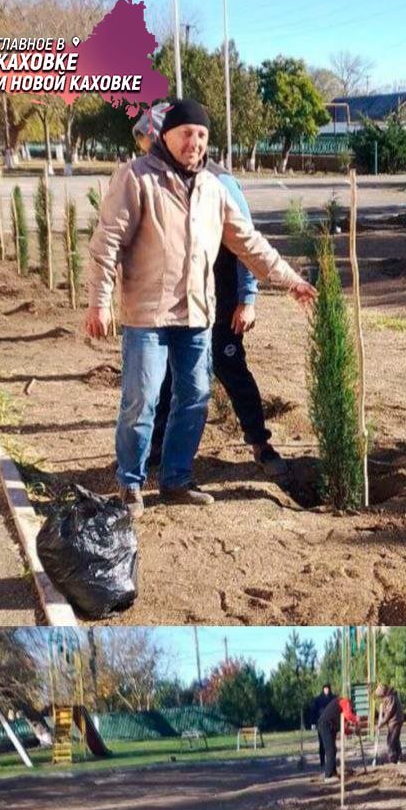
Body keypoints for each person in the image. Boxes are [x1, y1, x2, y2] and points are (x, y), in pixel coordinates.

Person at [84, 99, 316, 516]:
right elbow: (106, 245)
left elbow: (249, 243)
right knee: (142, 399)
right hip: (148, 316)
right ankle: (131, 484)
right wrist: (99, 301)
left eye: (203, 134)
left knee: (194, 398)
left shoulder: (213, 188)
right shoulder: (136, 179)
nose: (195, 142)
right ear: (166, 135)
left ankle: (176, 480)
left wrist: (291, 280)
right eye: (187, 133)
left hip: (196, 316)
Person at [120, 108, 287, 480]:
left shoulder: (219, 182)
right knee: (165, 379)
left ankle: (261, 443)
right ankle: (159, 452)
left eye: (149, 141)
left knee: (230, 368)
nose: (148, 151)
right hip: (180, 299)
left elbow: (246, 243)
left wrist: (248, 297)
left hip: (222, 294)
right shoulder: (158, 177)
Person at [317, 691, 360, 781]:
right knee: (330, 750)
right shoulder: (344, 701)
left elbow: (344, 729)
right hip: (325, 725)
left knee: (333, 749)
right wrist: (356, 719)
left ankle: (333, 773)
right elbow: (349, 715)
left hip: (328, 726)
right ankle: (328, 776)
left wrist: (354, 731)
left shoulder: (340, 713)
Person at [374, 682, 404, 764]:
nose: (380, 698)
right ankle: (399, 757)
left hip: (395, 721)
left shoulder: (390, 698)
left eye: (380, 696)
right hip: (395, 721)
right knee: (395, 740)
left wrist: (382, 723)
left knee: (391, 741)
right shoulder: (390, 697)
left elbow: (389, 713)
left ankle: (393, 759)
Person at [307, 683, 333, 771]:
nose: (327, 690)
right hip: (320, 724)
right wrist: (313, 723)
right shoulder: (318, 700)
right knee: (322, 743)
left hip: (331, 724)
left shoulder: (333, 698)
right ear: (323, 690)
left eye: (328, 689)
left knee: (330, 744)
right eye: (325, 689)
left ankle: (330, 762)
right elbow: (313, 711)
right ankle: (322, 762)